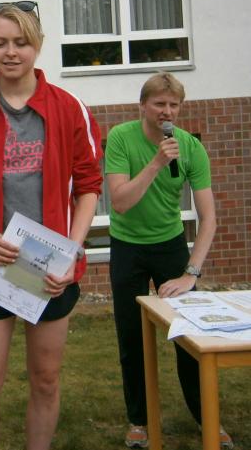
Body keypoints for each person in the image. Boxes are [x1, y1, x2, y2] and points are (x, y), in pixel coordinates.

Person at [0, 2, 103, 450]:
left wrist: (70, 252)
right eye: (0, 43)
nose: (10, 52)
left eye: (20, 42)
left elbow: (89, 185)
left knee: (46, 380)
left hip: (50, 267)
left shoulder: (70, 109)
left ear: (38, 45)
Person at [105, 72, 233, 449]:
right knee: (132, 337)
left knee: (190, 337)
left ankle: (207, 418)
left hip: (170, 246)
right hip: (127, 246)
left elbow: (208, 217)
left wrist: (191, 273)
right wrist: (157, 163)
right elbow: (120, 202)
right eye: (159, 103)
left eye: (174, 105)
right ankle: (139, 421)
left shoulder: (190, 147)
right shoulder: (121, 138)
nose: (167, 111)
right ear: (142, 106)